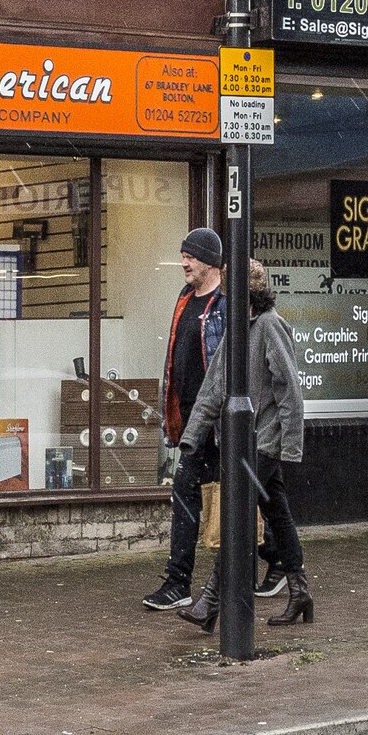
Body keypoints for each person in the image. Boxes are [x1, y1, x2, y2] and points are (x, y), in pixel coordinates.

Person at [176, 257, 312, 630]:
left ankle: (210, 601)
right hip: (243, 441)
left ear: (247, 293)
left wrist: (291, 446)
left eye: (229, 291)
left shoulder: (269, 326)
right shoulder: (238, 331)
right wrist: (191, 438)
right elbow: (213, 387)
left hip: (264, 441)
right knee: (278, 514)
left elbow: (290, 392)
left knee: (236, 513)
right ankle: (299, 591)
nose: (223, 298)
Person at [142, 227, 226, 611]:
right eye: (182, 255)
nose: (184, 263)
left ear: (210, 262)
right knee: (187, 495)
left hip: (220, 422)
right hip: (191, 418)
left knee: (237, 498)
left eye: (190, 257)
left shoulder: (225, 307)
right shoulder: (184, 299)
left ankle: (279, 563)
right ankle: (179, 583)